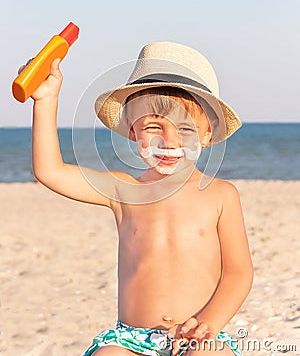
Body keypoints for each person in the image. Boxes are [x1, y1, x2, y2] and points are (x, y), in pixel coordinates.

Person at [28, 41, 253, 355]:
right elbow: (49, 171)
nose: (169, 141)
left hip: (199, 334)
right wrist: (46, 101)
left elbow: (238, 272)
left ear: (207, 133)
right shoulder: (123, 191)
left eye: (185, 128)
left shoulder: (221, 196)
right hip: (130, 340)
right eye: (153, 127)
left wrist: (207, 325)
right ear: (133, 132)